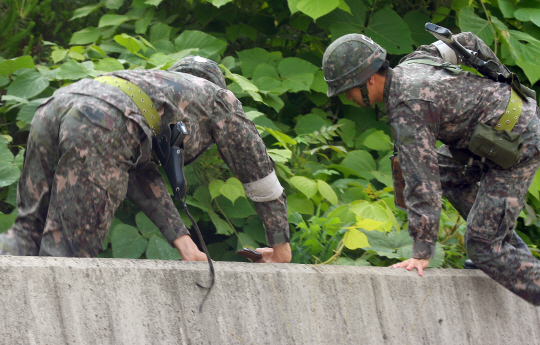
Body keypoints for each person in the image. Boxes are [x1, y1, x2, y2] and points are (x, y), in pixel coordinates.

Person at [0, 55, 291, 263]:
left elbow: (136, 172)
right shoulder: (218, 98)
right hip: (101, 120)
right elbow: (258, 171)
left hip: (55, 106)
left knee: (28, 231)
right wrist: (280, 247)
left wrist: (185, 243)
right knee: (67, 254)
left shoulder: (154, 88)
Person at [322, 32, 540, 305]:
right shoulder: (414, 61)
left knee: (482, 245)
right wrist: (502, 82)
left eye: (347, 90)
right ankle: (506, 252)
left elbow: (421, 182)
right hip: (495, 131)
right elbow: (468, 42)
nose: (348, 98)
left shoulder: (408, 107)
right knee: (442, 171)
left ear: (368, 79)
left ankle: (499, 252)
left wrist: (422, 250)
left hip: (519, 141)